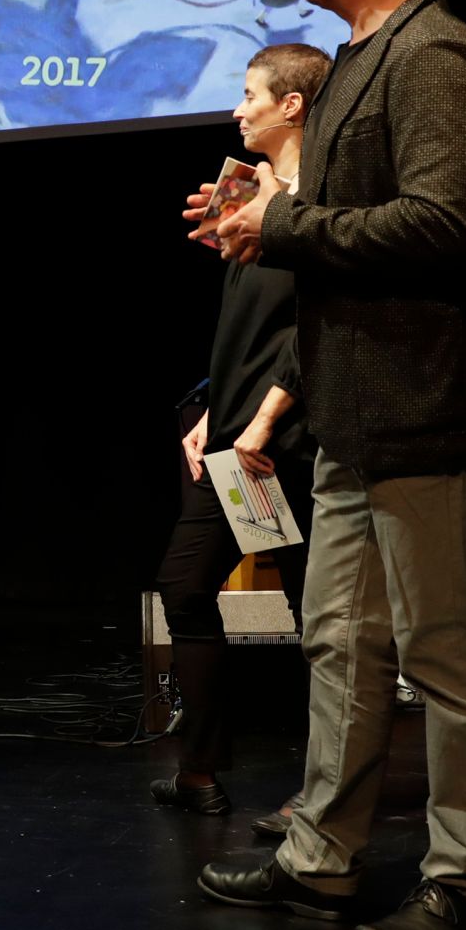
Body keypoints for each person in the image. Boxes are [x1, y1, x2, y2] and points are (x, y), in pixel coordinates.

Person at [192, 0, 466, 930]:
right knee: (335, 639)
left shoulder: (434, 56)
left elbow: (443, 224)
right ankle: (320, 855)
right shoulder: (347, 68)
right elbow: (334, 235)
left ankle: (461, 878)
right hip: (348, 408)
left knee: (442, 654)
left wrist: (281, 223)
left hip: (420, 405)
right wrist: (257, 215)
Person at [152, 42, 330, 824]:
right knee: (186, 586)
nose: (236, 106)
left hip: (289, 438)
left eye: (250, 92)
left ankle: (326, 795)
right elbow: (244, 327)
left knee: (315, 617)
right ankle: (200, 771)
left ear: (292, 104)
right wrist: (208, 416)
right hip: (234, 440)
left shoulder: (325, 195)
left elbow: (317, 328)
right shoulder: (246, 191)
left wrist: (260, 421)